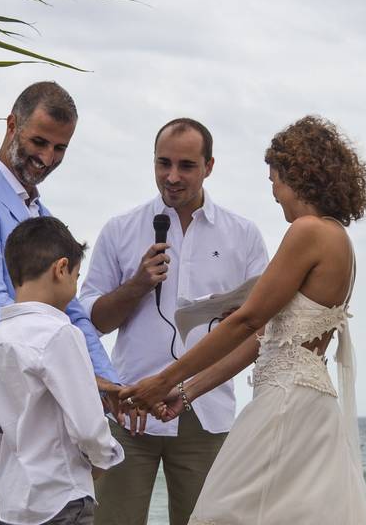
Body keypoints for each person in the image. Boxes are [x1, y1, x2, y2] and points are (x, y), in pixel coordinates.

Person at [121, 116, 366, 524]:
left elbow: (246, 321)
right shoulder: (338, 239)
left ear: (299, 175)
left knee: (220, 514)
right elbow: (262, 336)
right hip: (310, 405)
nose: (275, 194)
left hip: (285, 406)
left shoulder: (307, 231)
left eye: (275, 179)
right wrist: (187, 393)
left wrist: (163, 380)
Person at [0, 81, 121, 525]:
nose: (47, 158)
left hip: (48, 421)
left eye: (60, 148)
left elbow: (70, 312)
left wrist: (107, 385)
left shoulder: (41, 214)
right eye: (39, 142)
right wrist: (84, 381)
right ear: (11, 124)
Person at [79, 118, 270, 525]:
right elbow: (91, 322)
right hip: (130, 409)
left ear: (209, 166)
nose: (172, 176)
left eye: (186, 165)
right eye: (163, 163)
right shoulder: (120, 230)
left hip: (206, 408)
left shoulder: (244, 235)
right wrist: (137, 284)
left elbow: (261, 323)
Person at [0, 216, 125, 525]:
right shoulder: (61, 334)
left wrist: (20, 461)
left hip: (14, 505)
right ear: (61, 269)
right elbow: (88, 426)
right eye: (76, 276)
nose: (75, 286)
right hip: (63, 499)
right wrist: (103, 458)